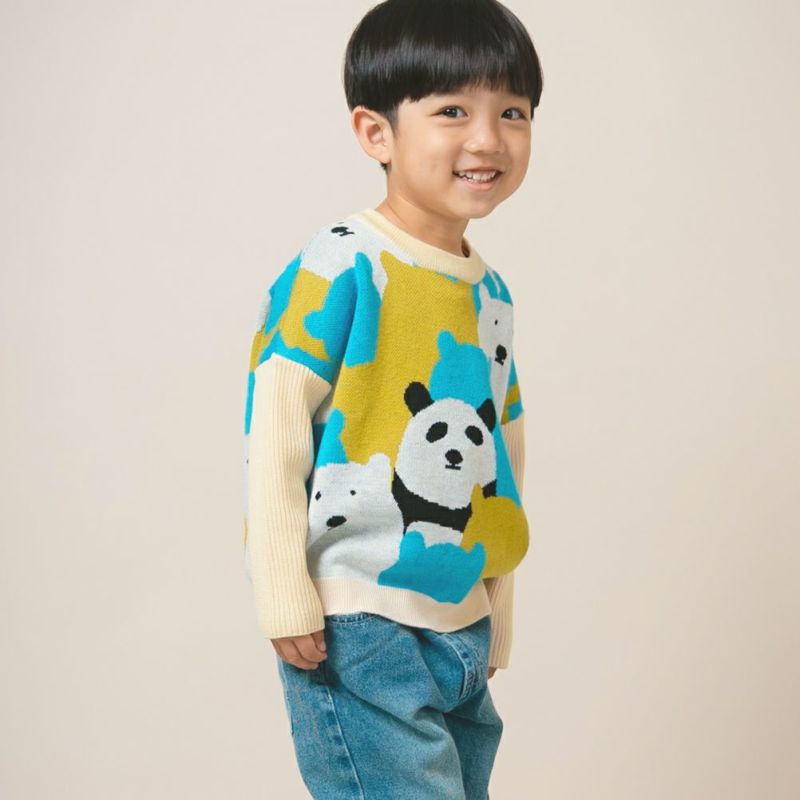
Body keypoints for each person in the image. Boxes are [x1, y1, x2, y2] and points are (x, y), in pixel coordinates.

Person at [242, 0, 543, 796]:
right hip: (360, 623)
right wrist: (284, 590)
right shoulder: (341, 265)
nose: (488, 138)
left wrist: (496, 607)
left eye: (512, 112)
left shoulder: (490, 293)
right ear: (376, 133)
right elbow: (275, 425)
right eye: (453, 111)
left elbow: (502, 457)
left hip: (458, 618)